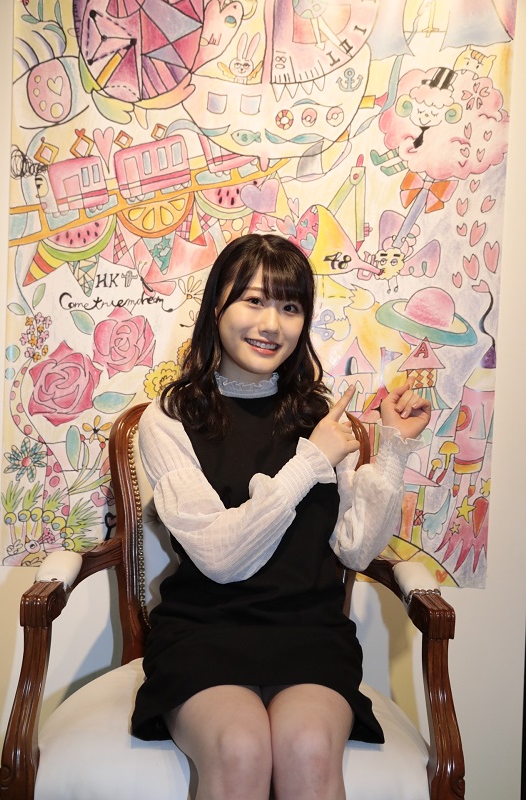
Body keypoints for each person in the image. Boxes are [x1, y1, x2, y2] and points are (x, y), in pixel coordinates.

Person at [131, 233, 431, 800]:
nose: (271, 324)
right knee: (240, 748)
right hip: (205, 632)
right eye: (253, 300)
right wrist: (310, 462)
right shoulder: (169, 418)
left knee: (310, 749)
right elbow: (221, 558)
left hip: (308, 633)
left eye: (290, 307)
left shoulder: (320, 415)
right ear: (216, 307)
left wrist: (393, 450)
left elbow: (355, 549)